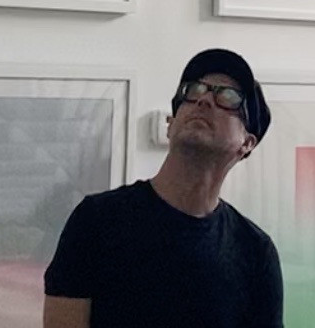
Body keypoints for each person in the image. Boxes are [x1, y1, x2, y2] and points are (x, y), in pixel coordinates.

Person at [43, 48, 283, 327]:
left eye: (228, 97)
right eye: (193, 90)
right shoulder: (96, 220)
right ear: (170, 125)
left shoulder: (255, 251)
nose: (204, 100)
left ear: (247, 143)